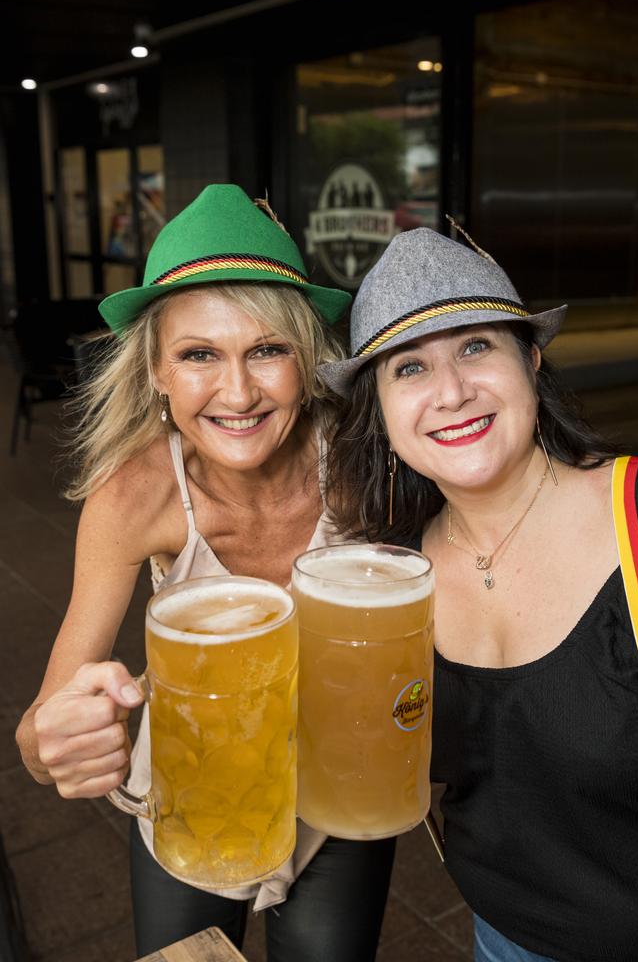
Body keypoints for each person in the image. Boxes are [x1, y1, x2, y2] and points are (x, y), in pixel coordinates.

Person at [320, 226, 638, 962]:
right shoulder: (392, 579)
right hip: (505, 942)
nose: (452, 391)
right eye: (410, 368)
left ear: (530, 360)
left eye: (475, 347)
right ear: (382, 410)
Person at [14, 185, 395, 961]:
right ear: (156, 369)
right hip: (194, 791)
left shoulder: (365, 464)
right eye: (198, 355)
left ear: (307, 354)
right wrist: (56, 743)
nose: (239, 392)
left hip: (337, 787)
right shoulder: (134, 496)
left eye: (267, 349)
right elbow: (38, 729)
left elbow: (521, 491)